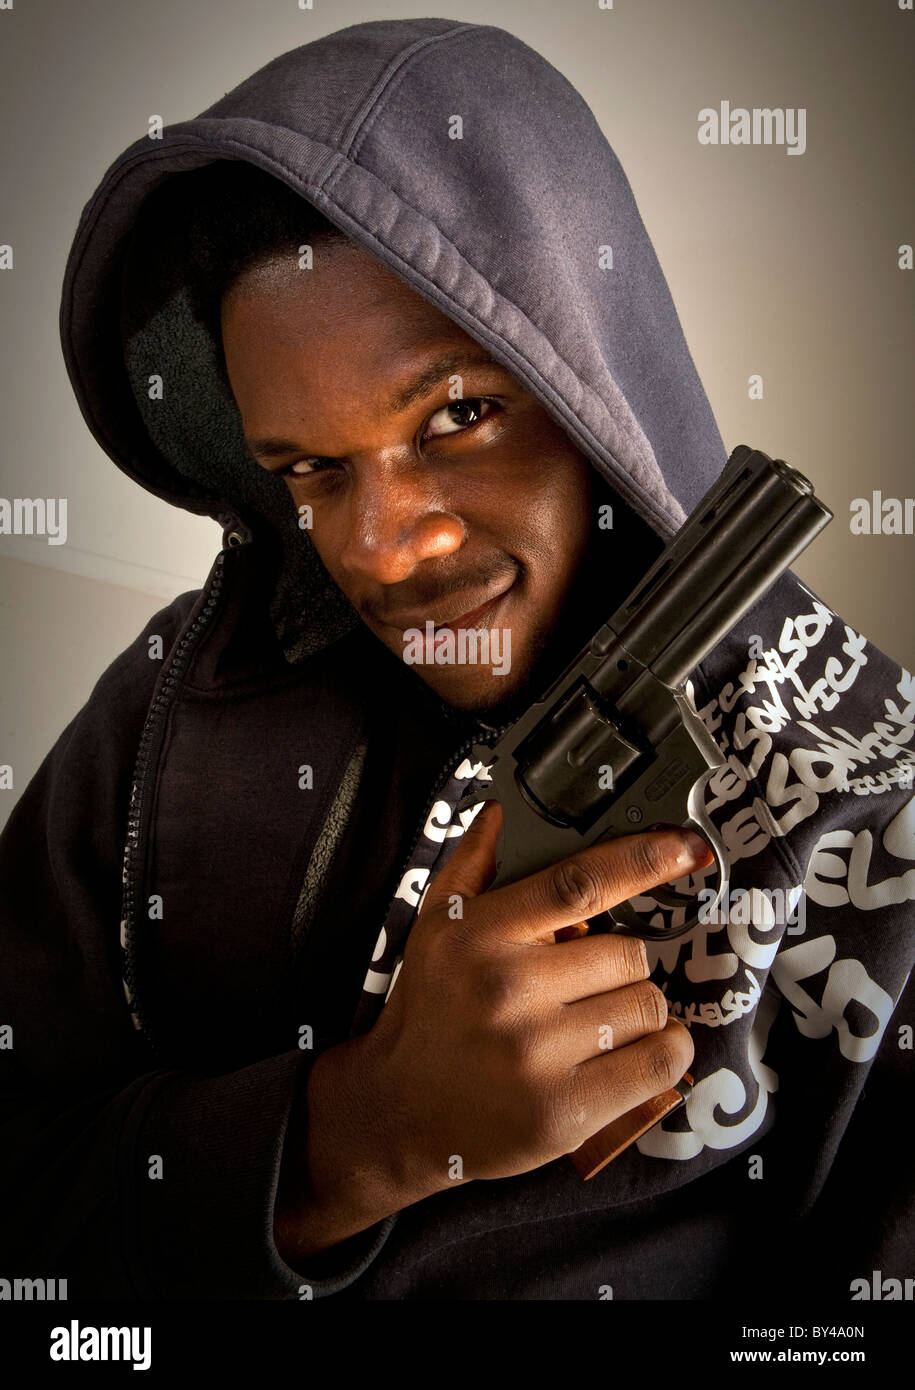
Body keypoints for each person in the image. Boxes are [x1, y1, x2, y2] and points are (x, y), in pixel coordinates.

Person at [1, 16, 911, 1301]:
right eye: (310, 469)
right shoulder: (166, 710)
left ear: (592, 373)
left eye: (459, 416)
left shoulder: (881, 832)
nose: (380, 548)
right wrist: (349, 1138)